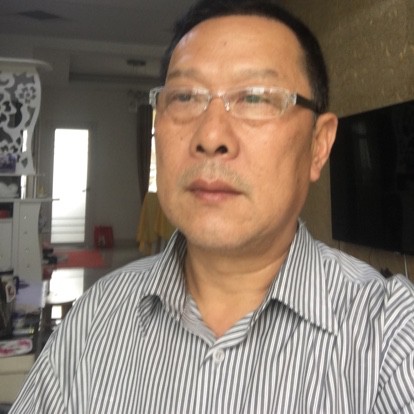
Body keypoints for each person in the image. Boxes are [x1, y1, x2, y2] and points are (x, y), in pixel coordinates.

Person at [10, 1, 414, 413]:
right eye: (185, 96)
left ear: (319, 145)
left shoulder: (391, 337)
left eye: (255, 97)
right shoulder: (97, 315)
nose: (211, 136)